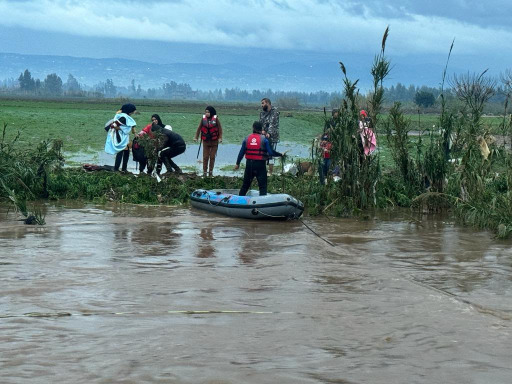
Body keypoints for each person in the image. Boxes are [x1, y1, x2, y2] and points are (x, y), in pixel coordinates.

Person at [234, 121, 283, 196]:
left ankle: (239, 201)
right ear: (261, 129)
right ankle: (262, 203)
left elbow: (241, 152)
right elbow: (271, 152)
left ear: (253, 128)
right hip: (260, 165)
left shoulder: (247, 138)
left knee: (245, 185)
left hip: (249, 165)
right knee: (262, 187)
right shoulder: (264, 139)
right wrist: (280, 154)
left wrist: (237, 163)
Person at [105, 103, 137, 173]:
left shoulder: (126, 117)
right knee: (121, 151)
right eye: (133, 110)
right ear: (130, 110)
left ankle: (124, 169)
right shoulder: (123, 117)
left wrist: (135, 134)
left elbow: (131, 126)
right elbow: (113, 126)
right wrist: (123, 129)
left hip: (125, 137)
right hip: (120, 136)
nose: (134, 112)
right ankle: (116, 169)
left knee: (127, 152)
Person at [194, 106, 223, 177]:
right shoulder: (203, 119)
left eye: (208, 112)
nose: (207, 113)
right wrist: (196, 137)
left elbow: (220, 129)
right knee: (205, 157)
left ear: (211, 112)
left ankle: (210, 172)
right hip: (206, 141)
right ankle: (204, 172)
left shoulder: (216, 119)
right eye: (206, 112)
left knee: (212, 157)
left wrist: (220, 138)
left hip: (214, 142)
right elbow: (199, 128)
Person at [259, 98, 280, 175]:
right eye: (261, 104)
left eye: (263, 103)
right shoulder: (262, 113)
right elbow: (260, 123)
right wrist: (261, 131)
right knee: (263, 153)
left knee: (271, 153)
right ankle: (263, 170)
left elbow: (273, 124)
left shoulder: (275, 112)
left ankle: (270, 171)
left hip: (272, 137)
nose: (262, 105)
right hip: (263, 136)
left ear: (267, 103)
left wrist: (269, 133)